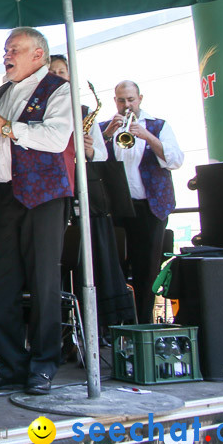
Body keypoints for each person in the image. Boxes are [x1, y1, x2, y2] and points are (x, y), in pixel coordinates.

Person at [0, 27, 74, 396]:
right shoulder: (3, 92)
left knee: (43, 282)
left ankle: (43, 364)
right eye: (6, 48)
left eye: (15, 49)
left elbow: (56, 138)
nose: (7, 54)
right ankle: (10, 363)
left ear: (38, 55)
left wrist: (4, 125)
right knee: (0, 283)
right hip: (5, 194)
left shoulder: (59, 89)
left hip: (43, 196)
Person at [48, 56, 133, 328]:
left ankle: (101, 326)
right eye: (53, 72)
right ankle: (63, 324)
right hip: (54, 194)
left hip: (87, 202)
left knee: (97, 262)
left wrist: (88, 150)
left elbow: (102, 154)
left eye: (63, 72)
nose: (59, 76)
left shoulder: (84, 112)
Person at [100, 80, 183, 323]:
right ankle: (119, 325)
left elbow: (176, 160)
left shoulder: (158, 126)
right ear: (115, 101)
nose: (127, 105)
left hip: (150, 207)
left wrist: (147, 136)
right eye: (121, 100)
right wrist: (106, 136)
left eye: (131, 100)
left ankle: (144, 324)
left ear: (140, 99)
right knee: (114, 270)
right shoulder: (106, 127)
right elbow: (89, 160)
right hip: (116, 208)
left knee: (146, 270)